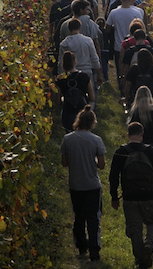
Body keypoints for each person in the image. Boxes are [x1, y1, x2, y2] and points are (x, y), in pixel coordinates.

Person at [109, 122, 153, 269]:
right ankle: (149, 243)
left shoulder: (121, 151)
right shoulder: (149, 151)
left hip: (129, 197)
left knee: (135, 230)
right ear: (142, 134)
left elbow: (113, 177)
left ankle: (140, 261)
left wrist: (114, 197)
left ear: (128, 135)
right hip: (148, 196)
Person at [61, 105, 106, 261]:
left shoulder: (68, 139)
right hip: (92, 185)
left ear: (78, 121)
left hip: (75, 184)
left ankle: (81, 245)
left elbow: (64, 162)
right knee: (93, 218)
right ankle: (94, 249)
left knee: (79, 216)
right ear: (93, 122)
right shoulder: (96, 140)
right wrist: (92, 160)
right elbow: (101, 165)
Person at [106, 0, 144, 94]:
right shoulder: (138, 12)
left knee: (121, 68)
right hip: (135, 44)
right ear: (132, 0)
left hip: (119, 45)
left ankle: (122, 90)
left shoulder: (114, 12)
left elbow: (107, 29)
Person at [56, 51, 95, 132]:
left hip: (67, 113)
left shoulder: (60, 79)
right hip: (82, 113)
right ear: (74, 61)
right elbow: (92, 98)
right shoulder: (84, 77)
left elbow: (58, 101)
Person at [59, 18, 103, 88]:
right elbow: (94, 58)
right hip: (87, 72)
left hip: (70, 74)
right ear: (79, 28)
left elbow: (61, 62)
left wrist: (61, 76)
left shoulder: (64, 44)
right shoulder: (88, 41)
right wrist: (98, 74)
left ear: (69, 29)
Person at [96, 17, 111, 81]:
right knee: (106, 64)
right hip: (107, 49)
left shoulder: (97, 32)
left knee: (102, 63)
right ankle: (106, 76)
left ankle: (104, 76)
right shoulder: (106, 31)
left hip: (101, 49)